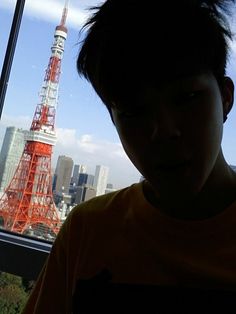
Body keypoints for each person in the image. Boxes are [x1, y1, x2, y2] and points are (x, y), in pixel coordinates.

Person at [23, 0, 236, 313]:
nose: (163, 131)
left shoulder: (91, 229)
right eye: (135, 111)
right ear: (114, 121)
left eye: (187, 97)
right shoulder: (86, 230)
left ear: (226, 99)